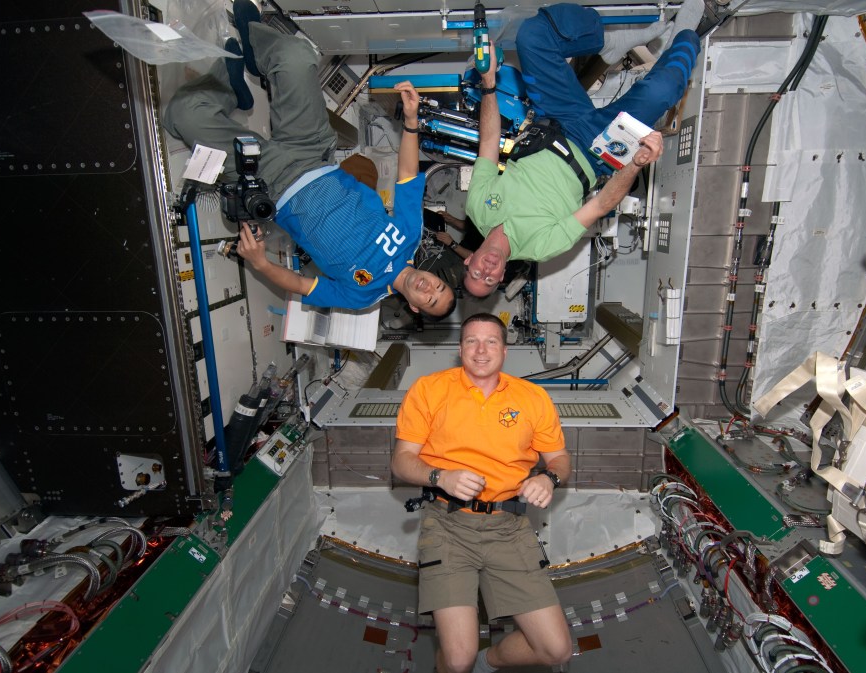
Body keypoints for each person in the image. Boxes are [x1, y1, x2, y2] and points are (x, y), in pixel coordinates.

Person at [164, 0, 456, 317]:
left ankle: (229, 90)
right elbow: (409, 173)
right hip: (313, 152)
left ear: (413, 306)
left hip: (272, 183)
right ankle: (252, 46)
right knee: (296, 56)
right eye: (438, 286)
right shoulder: (411, 235)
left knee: (182, 115)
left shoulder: (362, 296)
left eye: (430, 301)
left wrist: (262, 264)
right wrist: (412, 122)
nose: (429, 289)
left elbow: (303, 286)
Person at [462, 0, 709, 297]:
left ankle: (607, 43)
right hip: (597, 152)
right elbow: (601, 205)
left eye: (477, 273)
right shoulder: (541, 247)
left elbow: (488, 144)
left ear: (469, 259)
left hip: (553, 118)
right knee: (662, 89)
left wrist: (488, 83)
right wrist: (635, 164)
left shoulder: (477, 207)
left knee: (532, 35)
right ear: (502, 275)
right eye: (489, 279)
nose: (486, 270)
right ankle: (685, 33)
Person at [393, 312, 572, 673]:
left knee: (556, 650)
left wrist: (548, 478)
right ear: (460, 350)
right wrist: (439, 476)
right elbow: (401, 462)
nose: (480, 350)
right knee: (456, 659)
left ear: (504, 351)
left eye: (491, 341)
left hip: (508, 527)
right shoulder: (429, 390)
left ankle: (487, 662)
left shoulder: (532, 398)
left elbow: (560, 459)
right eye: (472, 341)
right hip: (446, 525)